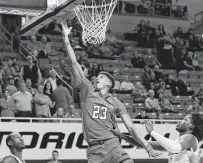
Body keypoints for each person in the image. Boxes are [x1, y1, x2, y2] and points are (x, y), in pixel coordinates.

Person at [61, 20, 160, 163]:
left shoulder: (117, 103)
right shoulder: (88, 90)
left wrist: (147, 146)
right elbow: (74, 62)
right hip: (95, 151)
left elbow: (131, 128)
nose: (97, 79)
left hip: (113, 146)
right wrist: (65, 38)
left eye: (100, 77)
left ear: (108, 83)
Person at [111, 113, 203, 163]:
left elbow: (175, 148)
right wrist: (121, 135)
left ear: (191, 126)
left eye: (185, 120)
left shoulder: (191, 138)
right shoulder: (178, 142)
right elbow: (143, 144)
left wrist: (152, 132)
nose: (180, 121)